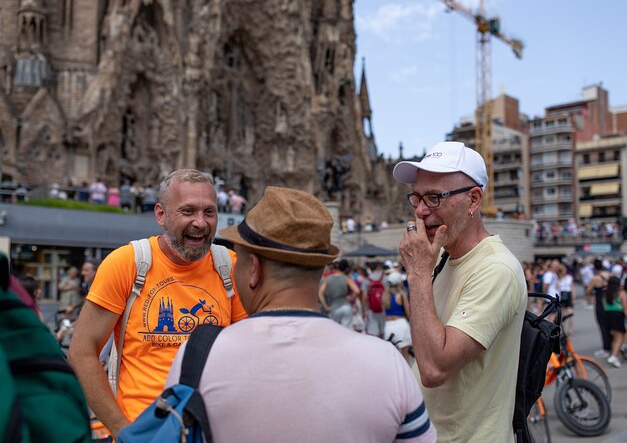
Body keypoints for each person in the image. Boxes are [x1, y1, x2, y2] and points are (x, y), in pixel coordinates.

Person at [165, 186, 436, 442]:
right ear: (319, 268)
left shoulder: (198, 357)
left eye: (239, 260)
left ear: (254, 268)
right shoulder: (386, 362)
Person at [68, 169, 247, 439]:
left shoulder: (230, 267)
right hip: (143, 429)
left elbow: (246, 355)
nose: (200, 222)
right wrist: (123, 430)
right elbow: (82, 353)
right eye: (188, 211)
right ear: (161, 214)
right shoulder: (127, 263)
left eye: (209, 212)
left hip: (210, 430)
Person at [394, 141, 526, 442]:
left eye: (435, 198)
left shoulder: (496, 269)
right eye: (416, 197)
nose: (421, 211)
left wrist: (416, 272)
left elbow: (435, 369)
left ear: (474, 200)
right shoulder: (440, 257)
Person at [318, 259, 360, 329]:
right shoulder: (347, 278)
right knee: (347, 331)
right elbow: (357, 291)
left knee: (335, 330)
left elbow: (320, 293)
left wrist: (325, 306)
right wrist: (352, 297)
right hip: (346, 306)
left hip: (333, 307)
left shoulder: (328, 279)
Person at [602, 276, 627, 368]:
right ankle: (613, 356)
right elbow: (626, 308)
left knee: (614, 338)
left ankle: (615, 355)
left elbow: (604, 305)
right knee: (620, 338)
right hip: (617, 315)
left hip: (608, 315)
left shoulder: (606, 293)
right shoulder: (622, 293)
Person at [384, 271, 412, 363]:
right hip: (401, 324)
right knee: (405, 354)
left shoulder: (385, 296)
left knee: (392, 355)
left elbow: (384, 313)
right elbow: (408, 313)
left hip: (388, 326)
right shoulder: (402, 295)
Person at [585, 259, 611, 357]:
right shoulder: (609, 275)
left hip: (600, 303)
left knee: (603, 325)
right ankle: (612, 345)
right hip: (609, 301)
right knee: (609, 325)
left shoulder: (595, 278)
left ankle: (606, 348)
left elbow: (588, 291)